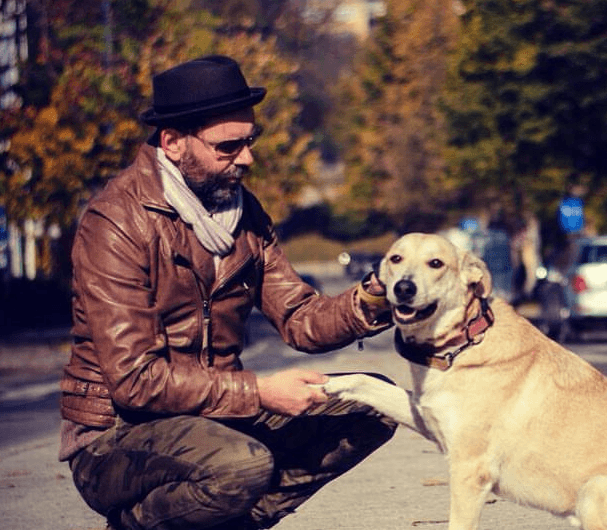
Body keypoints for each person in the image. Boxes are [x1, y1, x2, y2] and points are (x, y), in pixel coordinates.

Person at [59, 55, 397, 530]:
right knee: (241, 465)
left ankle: (227, 522)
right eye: (229, 146)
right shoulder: (116, 222)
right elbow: (135, 380)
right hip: (116, 438)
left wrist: (373, 300)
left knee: (373, 404)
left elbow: (300, 317)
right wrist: (259, 392)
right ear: (174, 143)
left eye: (249, 141)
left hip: (217, 419)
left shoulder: (244, 217)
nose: (247, 158)